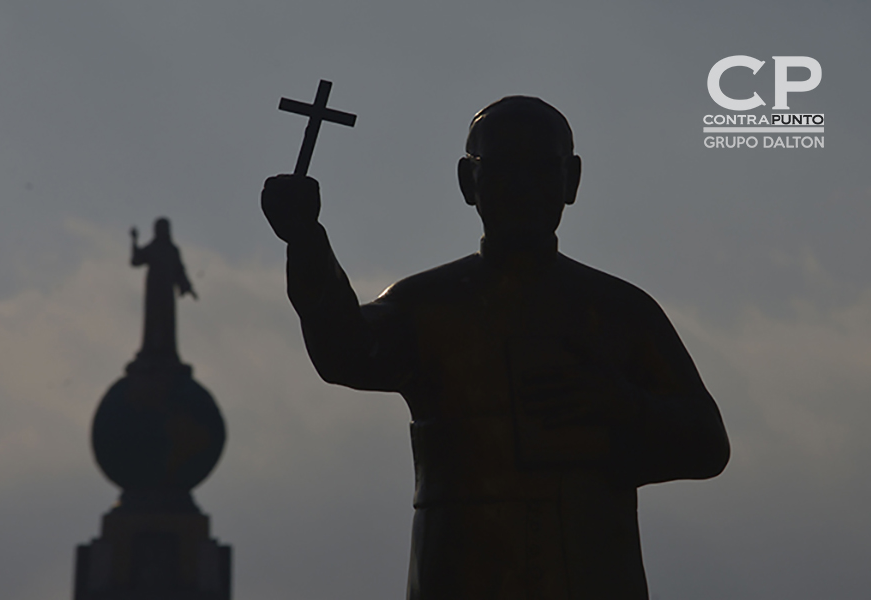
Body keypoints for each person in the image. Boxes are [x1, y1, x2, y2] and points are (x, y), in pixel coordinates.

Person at [261, 96, 729, 599]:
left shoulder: (620, 311)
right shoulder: (426, 306)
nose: (523, 187)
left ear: (571, 180)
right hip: (464, 570)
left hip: (590, 570)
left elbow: (706, 443)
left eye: (541, 169)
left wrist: (625, 407)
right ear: (469, 181)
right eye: (505, 169)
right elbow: (345, 351)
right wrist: (306, 241)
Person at [131, 217, 197, 363]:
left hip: (166, 291)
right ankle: (151, 349)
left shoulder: (172, 250)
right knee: (153, 319)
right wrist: (134, 241)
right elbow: (136, 260)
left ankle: (166, 349)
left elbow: (179, 270)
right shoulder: (153, 248)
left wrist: (188, 288)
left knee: (166, 319)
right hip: (154, 290)